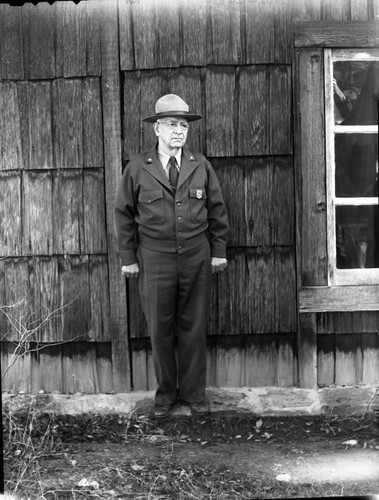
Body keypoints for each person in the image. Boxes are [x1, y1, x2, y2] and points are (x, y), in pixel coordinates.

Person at [115, 94, 229, 418]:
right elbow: (123, 214)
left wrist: (218, 251)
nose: (178, 131)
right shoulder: (138, 167)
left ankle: (194, 394)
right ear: (157, 130)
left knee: (194, 327)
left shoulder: (199, 164)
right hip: (155, 259)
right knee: (159, 329)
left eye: (183, 125)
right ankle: (165, 396)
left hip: (196, 255)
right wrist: (128, 257)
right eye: (171, 124)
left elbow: (217, 210)